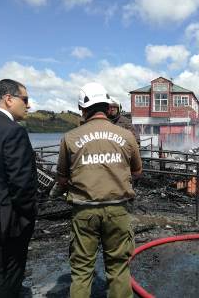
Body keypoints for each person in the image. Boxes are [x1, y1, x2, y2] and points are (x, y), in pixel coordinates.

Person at [55, 82, 142, 298]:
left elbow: (62, 178)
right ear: (106, 106)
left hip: (84, 212)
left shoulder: (70, 138)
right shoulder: (127, 136)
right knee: (119, 268)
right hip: (118, 212)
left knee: (82, 270)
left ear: (83, 109)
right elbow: (137, 171)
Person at [0, 79, 38, 298]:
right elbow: (21, 183)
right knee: (8, 276)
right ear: (9, 99)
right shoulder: (12, 131)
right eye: (25, 99)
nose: (28, 106)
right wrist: (29, 215)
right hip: (8, 221)